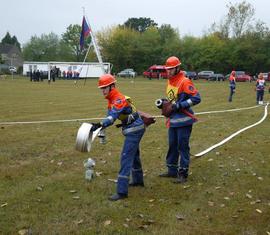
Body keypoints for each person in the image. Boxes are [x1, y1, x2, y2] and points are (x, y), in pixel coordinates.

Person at [91, 74, 146, 201]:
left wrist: (100, 124)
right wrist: (100, 127)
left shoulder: (118, 99)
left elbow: (113, 116)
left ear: (112, 86)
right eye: (101, 88)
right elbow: (109, 118)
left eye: (105, 88)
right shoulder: (111, 100)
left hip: (135, 129)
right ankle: (138, 180)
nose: (103, 91)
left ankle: (122, 192)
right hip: (132, 128)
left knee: (126, 157)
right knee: (134, 155)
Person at [158, 56, 201, 183]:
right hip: (173, 120)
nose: (169, 71)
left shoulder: (185, 81)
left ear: (177, 68)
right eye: (167, 69)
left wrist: (180, 105)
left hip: (184, 120)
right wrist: (165, 103)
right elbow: (173, 99)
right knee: (172, 145)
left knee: (182, 147)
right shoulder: (170, 81)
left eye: (171, 69)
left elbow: (196, 98)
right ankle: (172, 170)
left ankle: (183, 173)